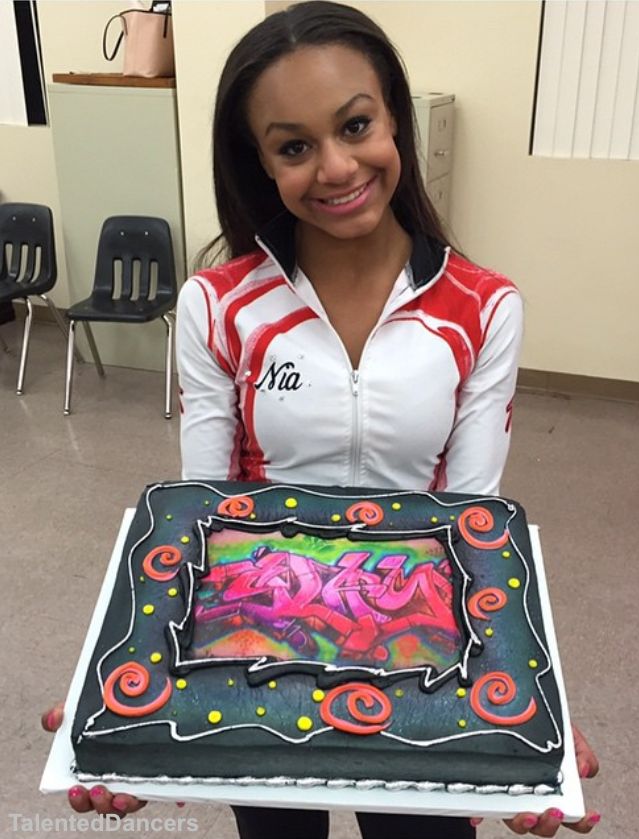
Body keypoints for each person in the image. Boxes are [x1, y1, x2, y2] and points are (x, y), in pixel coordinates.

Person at [41, 2, 600, 836]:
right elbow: (200, 511)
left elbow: (476, 522)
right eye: (294, 145)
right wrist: (131, 688)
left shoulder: (484, 306)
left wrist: (525, 717)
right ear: (259, 162)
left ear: (394, 125)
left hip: (423, 660)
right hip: (253, 644)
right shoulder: (217, 305)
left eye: (356, 125)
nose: (336, 167)